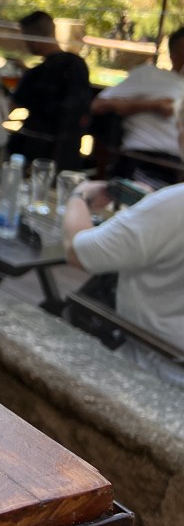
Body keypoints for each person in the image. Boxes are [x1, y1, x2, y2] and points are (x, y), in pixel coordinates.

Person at [62, 95, 184, 386]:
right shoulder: (168, 205)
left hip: (155, 368)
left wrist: (79, 196)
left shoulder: (173, 205)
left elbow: (77, 251)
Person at [90, 26, 184, 187]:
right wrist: (153, 105)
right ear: (173, 55)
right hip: (148, 162)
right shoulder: (150, 75)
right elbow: (97, 105)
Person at [5, 10, 92, 171]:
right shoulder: (78, 65)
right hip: (69, 152)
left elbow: (8, 109)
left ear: (33, 39)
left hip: (36, 153)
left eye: (26, 37)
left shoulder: (37, 74)